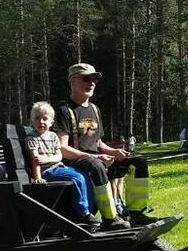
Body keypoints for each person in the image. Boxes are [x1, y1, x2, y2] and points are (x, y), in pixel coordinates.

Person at [52, 63, 159, 230]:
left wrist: (114, 152)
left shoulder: (94, 109)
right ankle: (110, 219)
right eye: (86, 79)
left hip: (98, 160)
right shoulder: (63, 110)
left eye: (94, 79)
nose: (92, 83)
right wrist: (96, 157)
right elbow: (62, 148)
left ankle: (136, 213)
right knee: (97, 166)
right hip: (75, 163)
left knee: (137, 161)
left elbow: (98, 143)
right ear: (72, 82)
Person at [25, 101, 99, 228]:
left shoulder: (53, 136)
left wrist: (46, 158)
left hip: (57, 166)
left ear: (51, 123)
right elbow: (35, 160)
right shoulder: (32, 138)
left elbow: (59, 156)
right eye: (37, 118)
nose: (41, 122)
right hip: (47, 171)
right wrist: (37, 177)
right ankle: (83, 212)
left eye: (44, 119)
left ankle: (89, 211)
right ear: (32, 120)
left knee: (84, 176)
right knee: (77, 178)